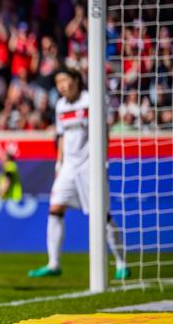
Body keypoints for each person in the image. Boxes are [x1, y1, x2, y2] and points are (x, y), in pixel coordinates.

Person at [28, 67, 129, 280]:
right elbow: (61, 136)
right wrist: (59, 164)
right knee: (55, 209)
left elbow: (104, 132)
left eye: (64, 80)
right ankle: (53, 263)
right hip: (68, 167)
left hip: (90, 166)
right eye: (58, 83)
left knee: (102, 215)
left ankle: (121, 263)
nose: (61, 86)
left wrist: (103, 161)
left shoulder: (90, 100)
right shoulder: (61, 106)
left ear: (76, 80)